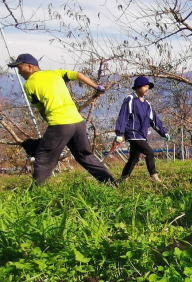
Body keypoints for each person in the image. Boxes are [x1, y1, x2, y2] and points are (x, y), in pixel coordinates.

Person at [7, 53, 117, 187]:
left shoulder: (29, 85)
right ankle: (111, 183)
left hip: (60, 124)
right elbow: (78, 75)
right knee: (85, 156)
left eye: (19, 68)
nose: (19, 72)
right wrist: (96, 87)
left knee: (43, 159)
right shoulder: (55, 73)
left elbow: (41, 109)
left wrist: (53, 129)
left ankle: (38, 194)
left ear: (30, 67)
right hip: (78, 122)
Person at [114, 76, 170, 183]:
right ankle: (154, 176)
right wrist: (119, 133)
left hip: (141, 134)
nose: (147, 89)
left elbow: (154, 120)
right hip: (132, 133)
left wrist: (164, 132)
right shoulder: (130, 99)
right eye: (145, 86)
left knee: (134, 158)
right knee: (149, 152)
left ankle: (123, 179)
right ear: (138, 87)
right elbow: (123, 116)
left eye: (148, 87)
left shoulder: (147, 104)